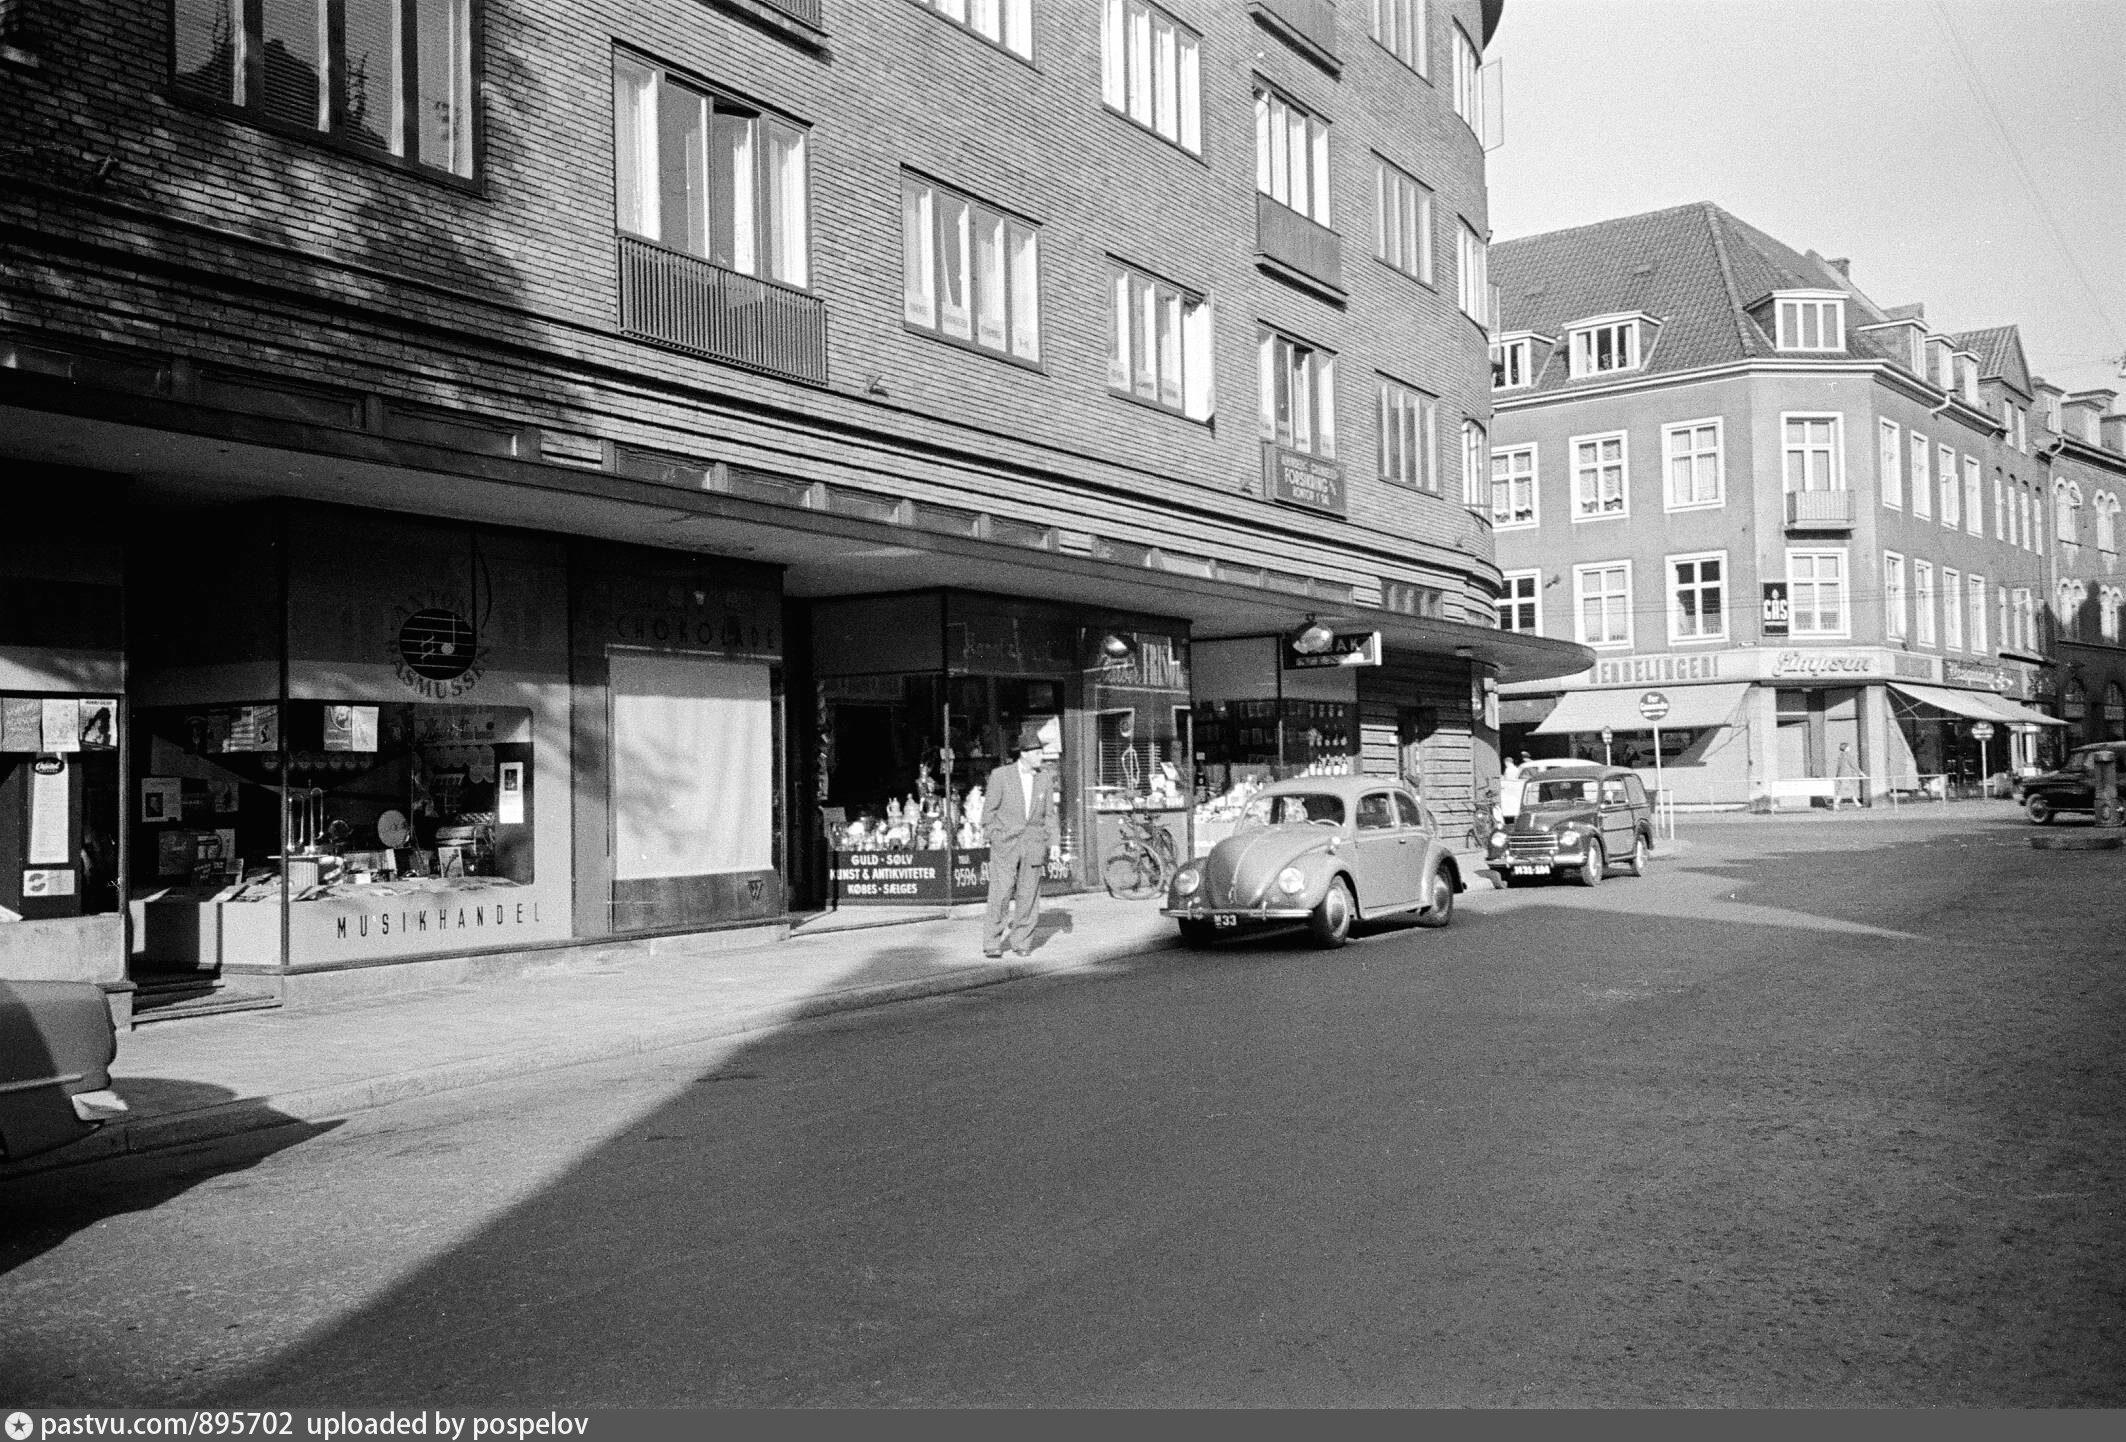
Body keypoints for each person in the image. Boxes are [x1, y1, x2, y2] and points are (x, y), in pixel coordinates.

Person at [982, 722, 1055, 958]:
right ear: (1024, 754)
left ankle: (1022, 941)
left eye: (1041, 752)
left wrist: (1053, 842)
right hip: (1005, 843)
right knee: (1001, 892)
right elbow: (988, 812)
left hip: (1033, 843)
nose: (1041, 756)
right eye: (1037, 752)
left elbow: (1049, 814)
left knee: (1028, 894)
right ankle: (992, 942)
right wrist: (994, 835)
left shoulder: (1044, 779)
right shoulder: (1000, 776)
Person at [1832, 742, 1864, 810]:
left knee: (1850, 789)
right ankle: (1836, 804)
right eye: (1848, 747)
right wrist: (1860, 773)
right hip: (1846, 775)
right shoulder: (1848, 755)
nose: (1849, 748)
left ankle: (1857, 803)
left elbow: (1838, 767)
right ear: (1846, 748)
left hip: (1841, 776)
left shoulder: (1840, 756)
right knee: (1842, 790)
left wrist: (1837, 775)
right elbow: (1853, 765)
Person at [1500, 752, 1528, 820]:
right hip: (1517, 790)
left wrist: (1502, 777)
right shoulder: (1516, 769)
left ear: (1507, 762)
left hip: (1509, 790)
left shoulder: (1508, 770)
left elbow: (1507, 780)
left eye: (1505, 763)